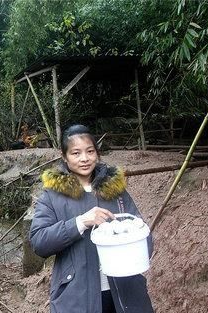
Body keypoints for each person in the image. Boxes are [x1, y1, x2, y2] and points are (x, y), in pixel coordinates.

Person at [29, 124, 154, 313]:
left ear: (97, 153)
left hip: (126, 294)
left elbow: (144, 239)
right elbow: (39, 242)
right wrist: (80, 222)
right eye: (76, 153)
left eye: (90, 151)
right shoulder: (52, 196)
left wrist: (132, 236)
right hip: (77, 298)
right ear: (64, 157)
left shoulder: (115, 191)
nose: (85, 159)